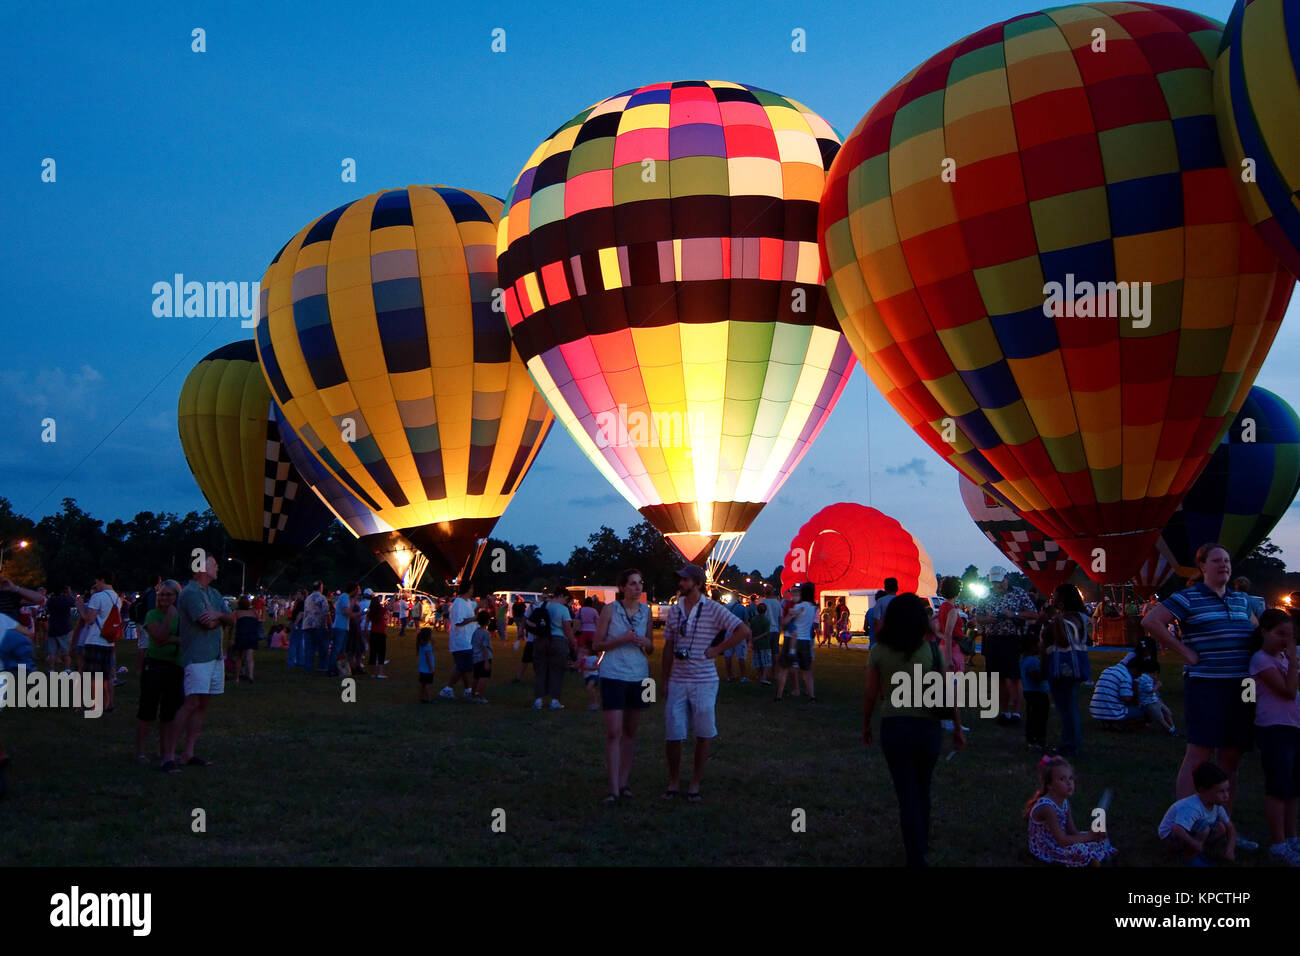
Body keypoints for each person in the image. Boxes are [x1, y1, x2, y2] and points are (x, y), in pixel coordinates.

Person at [1142, 542, 1259, 828]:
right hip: (1207, 685)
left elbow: (1257, 633)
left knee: (1231, 756)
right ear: (1202, 566)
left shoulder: (1242, 601)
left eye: (1227, 560)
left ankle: (1222, 825)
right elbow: (1152, 621)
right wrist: (1185, 652)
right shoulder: (1188, 597)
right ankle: (1185, 825)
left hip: (1241, 688)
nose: (1224, 565)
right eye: (1217, 560)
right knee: (1200, 753)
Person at [863, 593, 965, 866]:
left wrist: (866, 726)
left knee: (906, 791)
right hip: (927, 727)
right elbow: (947, 692)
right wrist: (957, 728)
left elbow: (871, 695)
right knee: (923, 787)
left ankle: (915, 852)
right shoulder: (931, 651)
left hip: (895, 727)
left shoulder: (879, 652)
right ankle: (922, 841)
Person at [660, 564, 750, 803]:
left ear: (698, 584)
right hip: (678, 679)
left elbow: (743, 630)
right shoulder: (675, 610)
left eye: (685, 580)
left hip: (704, 680)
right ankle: (674, 781)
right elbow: (669, 646)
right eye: (680, 580)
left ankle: (695, 783)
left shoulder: (713, 609)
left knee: (703, 733)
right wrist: (664, 679)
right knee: (673, 733)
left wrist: (718, 649)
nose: (680, 584)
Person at [592, 568, 653, 803]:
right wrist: (622, 640)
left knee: (630, 731)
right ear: (622, 588)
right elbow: (597, 645)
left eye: (640, 583)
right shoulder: (610, 610)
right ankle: (613, 787)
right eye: (633, 583)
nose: (638, 588)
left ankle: (624, 781)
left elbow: (650, 649)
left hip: (639, 675)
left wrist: (645, 642)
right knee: (613, 732)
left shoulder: (646, 612)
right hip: (613, 674)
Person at [1248, 608, 1300, 864]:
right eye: (1280, 634)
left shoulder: (1283, 658)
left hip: (1293, 727)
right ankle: (1278, 843)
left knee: (1292, 788)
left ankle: (1292, 837)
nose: (1285, 641)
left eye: (1290, 636)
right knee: (1278, 788)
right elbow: (1288, 691)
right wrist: (1293, 662)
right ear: (1264, 632)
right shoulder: (1261, 660)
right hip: (1273, 728)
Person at [175, 555, 233, 767]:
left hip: (215, 656)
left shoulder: (215, 594)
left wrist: (217, 614)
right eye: (214, 563)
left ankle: (188, 753)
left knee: (203, 704)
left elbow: (231, 618)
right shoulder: (190, 593)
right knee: (191, 703)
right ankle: (170, 754)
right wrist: (221, 618)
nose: (218, 567)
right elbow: (206, 623)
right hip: (198, 657)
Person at [1025, 755, 1117, 866]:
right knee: (1080, 849)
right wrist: (1089, 837)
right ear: (1049, 785)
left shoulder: (1064, 802)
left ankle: (1094, 858)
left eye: (1070, 778)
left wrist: (1094, 835)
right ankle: (1094, 859)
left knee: (1101, 839)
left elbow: (1073, 832)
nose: (1069, 783)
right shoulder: (1047, 807)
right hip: (1050, 848)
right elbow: (1062, 840)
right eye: (1062, 779)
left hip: (1062, 841)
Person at [974, 566, 1037, 725]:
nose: (998, 586)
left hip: (1011, 639)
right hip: (992, 639)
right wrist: (988, 619)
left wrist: (1014, 614)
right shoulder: (986, 595)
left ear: (1006, 578)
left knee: (1014, 677)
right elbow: (978, 617)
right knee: (998, 678)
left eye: (1000, 582)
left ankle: (1016, 713)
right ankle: (1004, 712)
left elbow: (1033, 614)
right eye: (995, 583)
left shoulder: (1018, 593)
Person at [138, 580, 185, 773]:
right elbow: (158, 639)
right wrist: (169, 618)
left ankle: (165, 751)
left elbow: (189, 639)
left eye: (169, 594)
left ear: (177, 596)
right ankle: (140, 752)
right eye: (162, 594)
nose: (164, 598)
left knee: (169, 712)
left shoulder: (183, 616)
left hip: (175, 667)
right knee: (147, 710)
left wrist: (172, 639)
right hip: (154, 666)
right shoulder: (152, 614)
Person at [1158, 761, 1238, 865]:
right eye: (1221, 791)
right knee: (1204, 827)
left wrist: (1230, 850)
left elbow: (1230, 828)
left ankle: (1199, 852)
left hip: (1189, 833)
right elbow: (1177, 829)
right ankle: (1189, 857)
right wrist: (1194, 843)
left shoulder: (1216, 805)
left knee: (1221, 828)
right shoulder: (1192, 807)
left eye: (1227, 790)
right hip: (1170, 838)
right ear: (1202, 790)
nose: (1226, 795)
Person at [1043, 583, 1090, 756]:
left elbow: (1063, 641)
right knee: (1069, 706)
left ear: (1062, 599)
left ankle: (1070, 745)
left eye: (1055, 595)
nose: (1052, 598)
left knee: (1067, 708)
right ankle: (1070, 742)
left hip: (1065, 665)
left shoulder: (1067, 619)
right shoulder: (1081, 617)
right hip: (1075, 663)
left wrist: (1055, 621)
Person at [75, 571, 120, 714]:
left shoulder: (97, 597)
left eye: (97, 582)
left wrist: (81, 607)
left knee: (93, 675)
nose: (95, 585)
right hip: (109, 640)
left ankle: (96, 705)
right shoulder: (116, 598)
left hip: (95, 640)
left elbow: (90, 619)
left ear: (102, 580)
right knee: (107, 674)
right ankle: (109, 704)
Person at [533, 584, 575, 710]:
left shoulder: (542, 605)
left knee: (540, 670)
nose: (566, 602)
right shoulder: (563, 609)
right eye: (566, 599)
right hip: (557, 640)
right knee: (557, 671)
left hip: (540, 640)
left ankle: (538, 700)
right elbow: (567, 628)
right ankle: (554, 700)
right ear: (562, 596)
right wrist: (573, 641)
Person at [776, 583, 817, 701]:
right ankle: (812, 695)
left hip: (791, 639)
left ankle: (779, 695)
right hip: (805, 640)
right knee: (807, 670)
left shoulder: (798, 607)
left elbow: (784, 623)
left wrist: (789, 614)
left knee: (784, 668)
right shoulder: (813, 607)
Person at [441, 581, 478, 700]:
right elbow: (459, 621)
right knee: (462, 666)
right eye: (471, 588)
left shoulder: (467, 602)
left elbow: (475, 604)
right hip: (461, 640)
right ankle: (447, 689)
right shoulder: (458, 603)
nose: (473, 590)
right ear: (467, 589)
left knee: (466, 667)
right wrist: (473, 618)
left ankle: (468, 690)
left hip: (467, 639)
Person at [1089, 657, 1146, 730]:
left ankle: (1108, 723)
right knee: (1143, 711)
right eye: (1139, 673)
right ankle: (1119, 724)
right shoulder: (1126, 675)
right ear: (1135, 670)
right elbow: (1127, 698)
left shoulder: (1109, 669)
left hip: (1096, 710)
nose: (1139, 676)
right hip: (1114, 712)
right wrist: (1135, 690)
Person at [1021, 634, 1049, 750]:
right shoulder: (1033, 661)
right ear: (1033, 646)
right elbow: (1036, 676)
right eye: (1039, 643)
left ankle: (1032, 738)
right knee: (1039, 717)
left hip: (1030, 692)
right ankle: (1037, 739)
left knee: (1032, 716)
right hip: (1037, 693)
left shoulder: (1024, 659)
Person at [1135, 658, 1177, 735]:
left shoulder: (1146, 678)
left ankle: (1172, 727)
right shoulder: (1145, 678)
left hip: (1154, 700)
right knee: (1160, 717)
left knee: (1166, 712)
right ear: (1155, 672)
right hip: (1148, 703)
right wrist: (1157, 685)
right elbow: (1150, 691)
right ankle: (1171, 730)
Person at [44, 584, 75, 674]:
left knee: (52, 652)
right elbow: (75, 602)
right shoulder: (66, 600)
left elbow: (47, 610)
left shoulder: (51, 601)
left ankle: (51, 670)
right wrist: (70, 593)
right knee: (66, 652)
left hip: (53, 628)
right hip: (65, 628)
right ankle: (67, 669)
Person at [301, 581, 331, 673]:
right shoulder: (322, 598)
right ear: (320, 587)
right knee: (323, 647)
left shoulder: (308, 598)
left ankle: (308, 667)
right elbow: (326, 612)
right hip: (318, 625)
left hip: (307, 625)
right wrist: (328, 625)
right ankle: (322, 666)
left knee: (309, 648)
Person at [233, 596, 260, 683]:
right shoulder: (254, 612)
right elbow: (258, 621)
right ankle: (251, 676)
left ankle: (237, 678)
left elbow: (233, 623)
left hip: (241, 635)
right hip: (252, 635)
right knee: (250, 657)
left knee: (239, 657)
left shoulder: (237, 612)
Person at [723, 595, 750, 682]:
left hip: (728, 632)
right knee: (741, 655)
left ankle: (729, 675)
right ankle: (743, 676)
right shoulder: (742, 608)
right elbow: (746, 621)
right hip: (739, 632)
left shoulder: (725, 607)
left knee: (728, 655)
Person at [749, 598, 773, 685]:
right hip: (764, 644)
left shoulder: (753, 620)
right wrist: (758, 637)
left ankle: (759, 676)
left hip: (756, 644)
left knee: (757, 661)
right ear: (765, 611)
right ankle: (764, 677)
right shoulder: (766, 621)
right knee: (766, 662)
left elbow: (750, 631)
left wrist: (751, 640)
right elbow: (766, 633)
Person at [470, 610, 493, 703]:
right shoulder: (485, 633)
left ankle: (472, 694)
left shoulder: (476, 631)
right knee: (483, 678)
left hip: (476, 658)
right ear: (488, 621)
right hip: (484, 658)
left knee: (476, 677)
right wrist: (486, 661)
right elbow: (484, 647)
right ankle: (480, 696)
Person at [367, 593, 389, 678]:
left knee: (373, 653)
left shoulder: (370, 612)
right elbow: (389, 606)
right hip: (381, 634)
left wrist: (366, 634)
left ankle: (372, 673)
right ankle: (380, 673)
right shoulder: (381, 610)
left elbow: (366, 624)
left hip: (373, 634)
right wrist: (395, 595)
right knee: (381, 653)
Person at [417, 627, 435, 703]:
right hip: (427, 669)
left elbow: (433, 645)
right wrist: (431, 668)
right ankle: (429, 698)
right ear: (428, 636)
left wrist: (432, 640)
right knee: (428, 684)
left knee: (423, 684)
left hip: (422, 669)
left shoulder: (421, 646)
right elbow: (428, 659)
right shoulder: (427, 647)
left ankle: (422, 697)